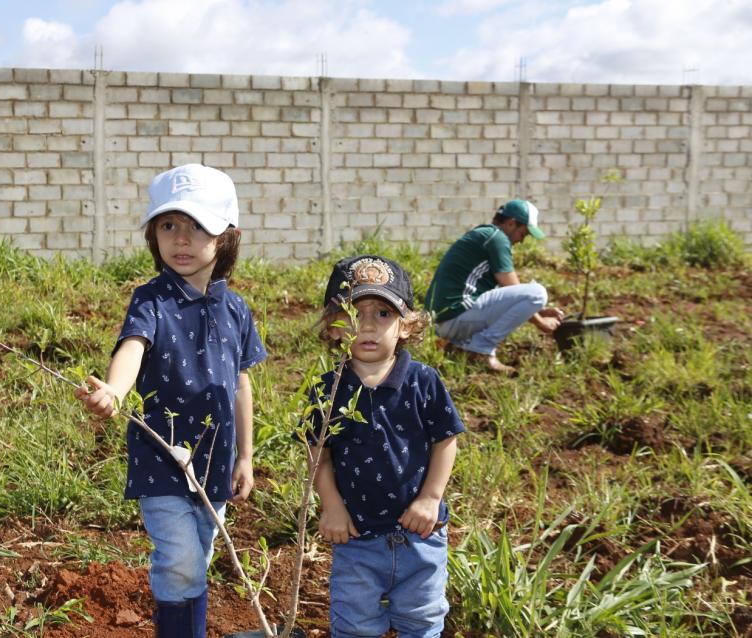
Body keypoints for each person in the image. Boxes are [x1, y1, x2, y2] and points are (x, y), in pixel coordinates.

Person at [74, 164, 267, 638]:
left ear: (226, 235)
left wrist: (246, 455)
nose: (180, 238)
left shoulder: (236, 309)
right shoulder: (151, 299)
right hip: (162, 454)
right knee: (179, 561)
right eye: (168, 225)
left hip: (215, 460)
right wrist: (115, 391)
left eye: (196, 225)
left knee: (198, 558)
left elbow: (242, 383)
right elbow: (132, 348)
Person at [306, 255, 466, 638]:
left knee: (422, 619)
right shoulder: (327, 391)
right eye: (352, 313)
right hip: (356, 538)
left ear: (406, 324)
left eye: (382, 313)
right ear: (331, 327)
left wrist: (430, 498)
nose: (367, 326)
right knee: (354, 624)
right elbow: (319, 456)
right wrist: (332, 507)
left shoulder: (423, 381)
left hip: (420, 537)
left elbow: (446, 440)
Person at [423, 199, 565, 374]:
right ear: (512, 223)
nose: (522, 241)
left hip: (444, 320)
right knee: (537, 293)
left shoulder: (485, 235)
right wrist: (541, 321)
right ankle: (481, 350)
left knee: (519, 295)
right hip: (456, 316)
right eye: (524, 234)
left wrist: (541, 311)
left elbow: (506, 296)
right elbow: (515, 288)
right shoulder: (496, 238)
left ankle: (459, 347)